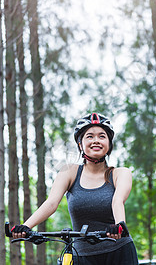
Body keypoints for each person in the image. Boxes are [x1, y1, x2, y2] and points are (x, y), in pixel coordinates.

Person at [11, 112, 139, 264]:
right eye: (89, 136)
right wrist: (26, 227)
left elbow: (117, 201)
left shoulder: (120, 173)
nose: (96, 140)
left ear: (109, 144)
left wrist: (119, 226)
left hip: (118, 253)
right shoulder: (70, 172)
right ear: (80, 144)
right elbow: (51, 203)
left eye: (102, 136)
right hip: (81, 256)